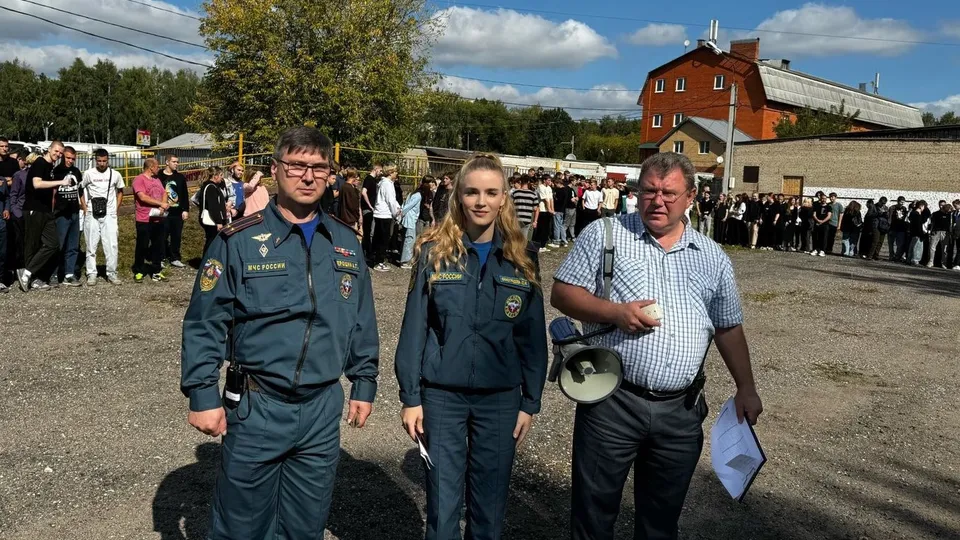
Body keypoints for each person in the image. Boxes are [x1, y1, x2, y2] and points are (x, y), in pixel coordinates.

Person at [181, 126, 379, 540]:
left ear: (329, 175)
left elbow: (361, 318)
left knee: (305, 527)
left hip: (322, 410)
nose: (307, 176)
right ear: (275, 170)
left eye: (318, 168)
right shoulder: (239, 240)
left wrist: (364, 382)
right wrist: (202, 393)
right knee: (241, 528)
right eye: (296, 165)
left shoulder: (345, 242)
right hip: (258, 406)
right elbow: (206, 321)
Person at [551, 152, 762, 540]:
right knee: (593, 514)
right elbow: (562, 294)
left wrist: (745, 387)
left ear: (691, 197)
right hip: (612, 401)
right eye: (649, 191)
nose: (657, 201)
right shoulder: (605, 234)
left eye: (669, 192)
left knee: (661, 521)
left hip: (680, 413)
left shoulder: (711, 256)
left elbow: (728, 327)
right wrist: (614, 312)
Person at [395, 153, 547, 540]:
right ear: (458, 197)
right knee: (442, 504)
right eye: (472, 192)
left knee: (489, 505)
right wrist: (410, 396)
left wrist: (530, 401)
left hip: (500, 399)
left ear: (503, 199)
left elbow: (531, 337)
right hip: (442, 397)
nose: (481, 201)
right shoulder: (433, 252)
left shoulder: (523, 258)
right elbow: (415, 328)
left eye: (491, 192)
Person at [17, 141, 68, 292]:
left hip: (46, 211)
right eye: (56, 151)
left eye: (60, 153)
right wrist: (61, 182)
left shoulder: (50, 167)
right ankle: (31, 278)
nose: (58, 155)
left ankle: (27, 273)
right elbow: (37, 184)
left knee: (53, 244)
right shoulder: (39, 163)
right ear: (50, 149)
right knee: (32, 244)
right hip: (34, 209)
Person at [80, 149, 125, 285]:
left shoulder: (115, 174)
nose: (101, 163)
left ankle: (112, 273)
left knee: (111, 244)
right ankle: (91, 273)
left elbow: (120, 191)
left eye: (104, 161)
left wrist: (116, 208)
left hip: (109, 213)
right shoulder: (88, 174)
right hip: (92, 212)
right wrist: (84, 206)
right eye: (99, 161)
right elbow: (80, 188)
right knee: (91, 244)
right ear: (95, 160)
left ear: (108, 160)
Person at [132, 158, 169, 283]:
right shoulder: (139, 179)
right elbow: (142, 197)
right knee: (142, 245)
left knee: (158, 245)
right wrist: (159, 203)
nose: (159, 168)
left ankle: (156, 270)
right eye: (157, 166)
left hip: (158, 217)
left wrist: (163, 203)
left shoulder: (157, 180)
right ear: (151, 167)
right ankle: (139, 270)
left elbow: (164, 192)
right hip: (144, 218)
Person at [51, 146, 84, 286]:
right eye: (68, 158)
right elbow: (53, 192)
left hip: (74, 212)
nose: (70, 161)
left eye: (73, 159)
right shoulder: (57, 171)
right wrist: (52, 210)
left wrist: (84, 205)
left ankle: (69, 274)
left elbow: (80, 190)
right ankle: (52, 273)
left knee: (73, 244)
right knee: (58, 244)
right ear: (63, 156)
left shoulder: (76, 172)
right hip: (61, 213)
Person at [158, 155, 189, 268]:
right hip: (163, 211)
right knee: (162, 236)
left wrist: (185, 210)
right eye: (174, 161)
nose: (176, 164)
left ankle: (174, 257)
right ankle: (160, 258)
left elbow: (185, 195)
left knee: (176, 236)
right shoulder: (159, 176)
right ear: (167, 162)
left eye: (177, 162)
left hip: (177, 211)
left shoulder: (180, 177)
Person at [372, 165, 401, 271]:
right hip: (385, 214)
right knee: (383, 239)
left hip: (380, 213)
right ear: (390, 173)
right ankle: (379, 262)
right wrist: (396, 213)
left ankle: (376, 259)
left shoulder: (383, 183)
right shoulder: (387, 184)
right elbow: (391, 200)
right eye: (395, 172)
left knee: (378, 237)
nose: (396, 174)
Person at [7, 153, 29, 285]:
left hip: (31, 214)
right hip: (19, 213)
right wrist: (16, 212)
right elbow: (13, 195)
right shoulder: (19, 175)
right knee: (18, 242)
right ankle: (17, 268)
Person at [399, 178, 429, 268]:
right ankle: (405, 261)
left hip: (409, 219)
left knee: (407, 239)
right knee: (409, 239)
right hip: (410, 219)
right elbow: (408, 206)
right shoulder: (418, 195)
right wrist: (401, 213)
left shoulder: (412, 193)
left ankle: (405, 259)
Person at [197, 166, 228, 254]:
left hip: (214, 220)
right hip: (212, 221)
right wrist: (218, 221)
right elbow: (213, 206)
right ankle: (206, 263)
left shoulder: (212, 186)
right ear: (215, 176)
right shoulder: (211, 187)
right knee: (211, 242)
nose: (222, 178)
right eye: (221, 175)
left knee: (212, 241)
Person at [360, 163, 382, 261]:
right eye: (380, 170)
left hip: (371, 209)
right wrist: (370, 206)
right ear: (376, 169)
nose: (381, 173)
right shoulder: (369, 179)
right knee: (368, 232)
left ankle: (369, 252)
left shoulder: (374, 180)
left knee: (370, 232)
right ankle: (366, 253)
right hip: (368, 210)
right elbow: (363, 192)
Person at [337, 167, 362, 235]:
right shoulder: (349, 188)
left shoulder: (343, 186)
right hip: (349, 219)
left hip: (342, 217)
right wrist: (358, 217)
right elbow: (353, 206)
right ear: (354, 176)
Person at [907, 201, 928, 266]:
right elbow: (918, 226)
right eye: (924, 207)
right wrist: (921, 234)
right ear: (921, 206)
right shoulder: (917, 215)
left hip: (913, 233)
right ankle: (915, 260)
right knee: (918, 247)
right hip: (917, 234)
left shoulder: (912, 214)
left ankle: (909, 259)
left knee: (912, 246)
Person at [888, 196, 909, 262]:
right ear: (898, 201)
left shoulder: (904, 208)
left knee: (900, 244)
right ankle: (891, 256)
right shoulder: (892, 208)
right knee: (891, 243)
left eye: (903, 202)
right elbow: (889, 218)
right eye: (901, 202)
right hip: (893, 228)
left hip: (901, 229)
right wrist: (889, 227)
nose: (902, 204)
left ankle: (897, 256)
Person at [811, 191, 831, 257]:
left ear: (826, 199)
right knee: (816, 237)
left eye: (825, 198)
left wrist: (822, 221)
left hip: (825, 225)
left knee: (824, 238)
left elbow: (829, 216)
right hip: (817, 224)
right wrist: (818, 220)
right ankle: (815, 249)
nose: (823, 200)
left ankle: (822, 251)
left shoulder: (829, 207)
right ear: (820, 199)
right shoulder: (817, 206)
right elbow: (814, 215)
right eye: (822, 198)